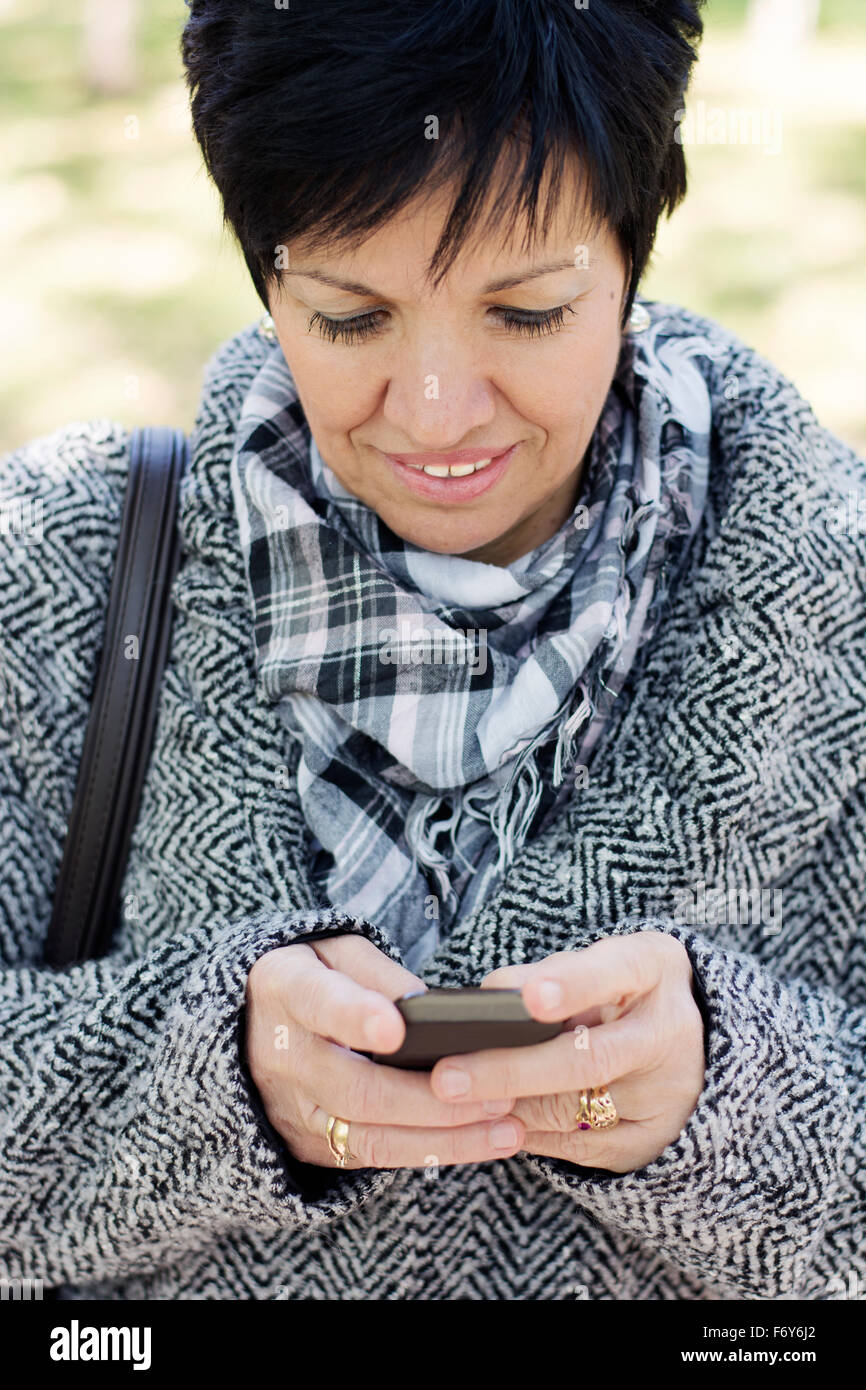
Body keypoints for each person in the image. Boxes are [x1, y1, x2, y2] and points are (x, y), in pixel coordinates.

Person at [0, 0, 863, 1302]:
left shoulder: (831, 593)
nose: (437, 412)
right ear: (263, 272)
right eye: (351, 318)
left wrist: (729, 1098)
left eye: (525, 313)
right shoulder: (65, 567)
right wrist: (200, 1078)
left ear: (632, 255)